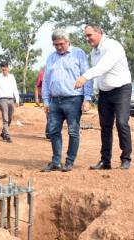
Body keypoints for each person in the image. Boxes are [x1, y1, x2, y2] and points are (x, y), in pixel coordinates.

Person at [74, 24, 132, 170]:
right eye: (85, 36)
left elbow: (103, 67)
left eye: (89, 35)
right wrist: (88, 97)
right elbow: (96, 74)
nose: (87, 39)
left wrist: (84, 77)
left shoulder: (113, 46)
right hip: (104, 93)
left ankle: (126, 158)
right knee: (105, 127)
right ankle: (105, 161)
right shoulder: (94, 52)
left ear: (99, 32)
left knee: (121, 123)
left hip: (121, 90)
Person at [41, 28, 93, 172]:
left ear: (68, 41)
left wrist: (87, 98)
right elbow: (46, 80)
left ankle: (69, 162)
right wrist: (46, 101)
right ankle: (56, 161)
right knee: (53, 131)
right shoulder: (51, 57)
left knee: (73, 132)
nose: (58, 47)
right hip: (54, 101)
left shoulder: (79, 54)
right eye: (55, 44)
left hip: (74, 100)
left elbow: (87, 76)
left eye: (61, 44)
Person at [0, 61, 20, 143]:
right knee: (5, 118)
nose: (4, 71)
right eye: (3, 69)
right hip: (2, 99)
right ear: (1, 69)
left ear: (8, 68)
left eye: (5, 69)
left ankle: (3, 132)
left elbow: (15, 89)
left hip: (11, 99)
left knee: (10, 117)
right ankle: (7, 135)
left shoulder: (12, 77)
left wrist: (17, 99)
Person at [34, 67, 51, 139]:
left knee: (53, 116)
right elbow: (37, 87)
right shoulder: (42, 73)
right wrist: (36, 98)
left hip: (56, 97)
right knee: (49, 115)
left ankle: (49, 133)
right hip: (46, 98)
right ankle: (49, 133)